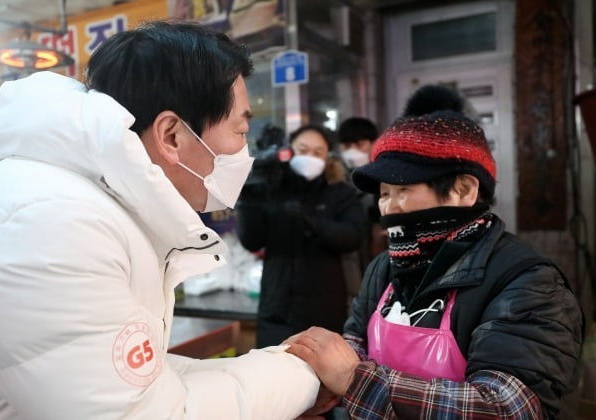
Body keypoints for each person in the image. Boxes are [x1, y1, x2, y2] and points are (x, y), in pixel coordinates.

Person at [0, 21, 320, 419]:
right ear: (171, 136)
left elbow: (141, 381)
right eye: (240, 130)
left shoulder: (89, 205)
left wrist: (289, 366)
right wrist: (305, 373)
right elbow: (144, 412)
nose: (245, 150)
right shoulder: (53, 226)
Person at [286, 85, 584, 419]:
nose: (389, 207)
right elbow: (355, 344)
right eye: (383, 194)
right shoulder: (384, 268)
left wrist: (354, 382)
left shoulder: (527, 282)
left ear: (464, 189)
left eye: (402, 190)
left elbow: (509, 407)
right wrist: (316, 381)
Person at [236, 124, 366, 348]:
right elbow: (251, 240)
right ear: (290, 150)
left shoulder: (340, 192)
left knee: (320, 380)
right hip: (277, 312)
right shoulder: (273, 189)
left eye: (318, 152)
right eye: (303, 150)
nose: (310, 157)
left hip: (325, 313)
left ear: (328, 156)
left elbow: (353, 237)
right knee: (273, 378)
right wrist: (250, 194)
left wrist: (314, 222)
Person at [337, 117, 386, 305]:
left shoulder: (385, 178)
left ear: (374, 143)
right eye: (347, 145)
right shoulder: (336, 182)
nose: (353, 152)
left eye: (360, 144)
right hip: (350, 264)